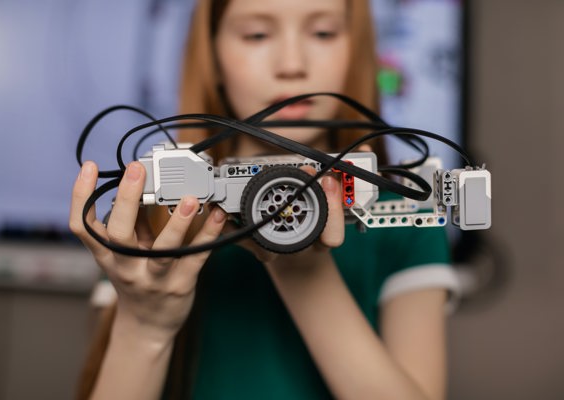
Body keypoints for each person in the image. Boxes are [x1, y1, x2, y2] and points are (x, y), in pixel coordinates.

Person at [69, 0, 459, 399]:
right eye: (257, 34)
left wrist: (302, 265)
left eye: (322, 32)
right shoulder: (153, 224)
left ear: (356, 50)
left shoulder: (410, 214)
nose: (291, 63)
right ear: (213, 55)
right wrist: (144, 326)